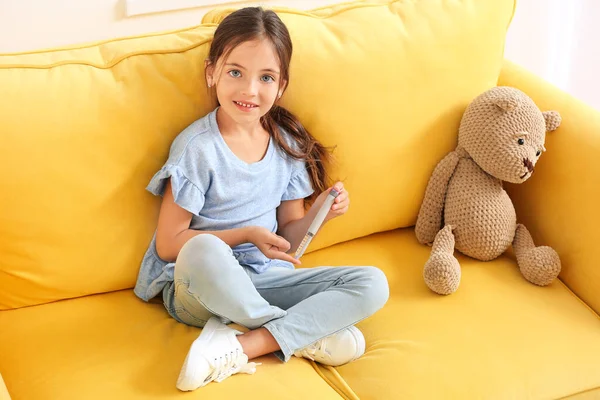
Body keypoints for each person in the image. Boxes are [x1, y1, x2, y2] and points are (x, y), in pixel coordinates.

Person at [133, 6, 389, 392]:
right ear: (211, 72)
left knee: (373, 283)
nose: (249, 90)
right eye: (235, 72)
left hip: (264, 281)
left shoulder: (287, 147)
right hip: (199, 286)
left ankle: (248, 342)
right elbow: (170, 245)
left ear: (281, 86)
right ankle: (299, 335)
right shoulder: (197, 150)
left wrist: (321, 213)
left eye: (265, 77)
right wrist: (247, 234)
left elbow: (288, 235)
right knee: (203, 250)